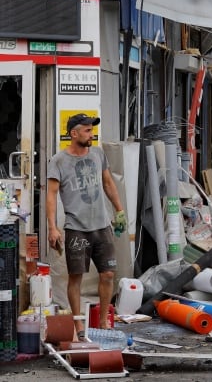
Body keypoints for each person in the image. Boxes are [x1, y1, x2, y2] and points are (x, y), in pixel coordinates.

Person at [46, 113, 126, 337]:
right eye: (87, 130)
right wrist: (53, 227)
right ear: (74, 133)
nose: (92, 133)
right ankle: (79, 324)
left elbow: (108, 183)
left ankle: (102, 323)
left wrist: (119, 210)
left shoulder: (98, 154)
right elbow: (51, 196)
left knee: (108, 274)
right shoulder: (58, 161)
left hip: (102, 226)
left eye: (92, 129)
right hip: (76, 227)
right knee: (76, 276)